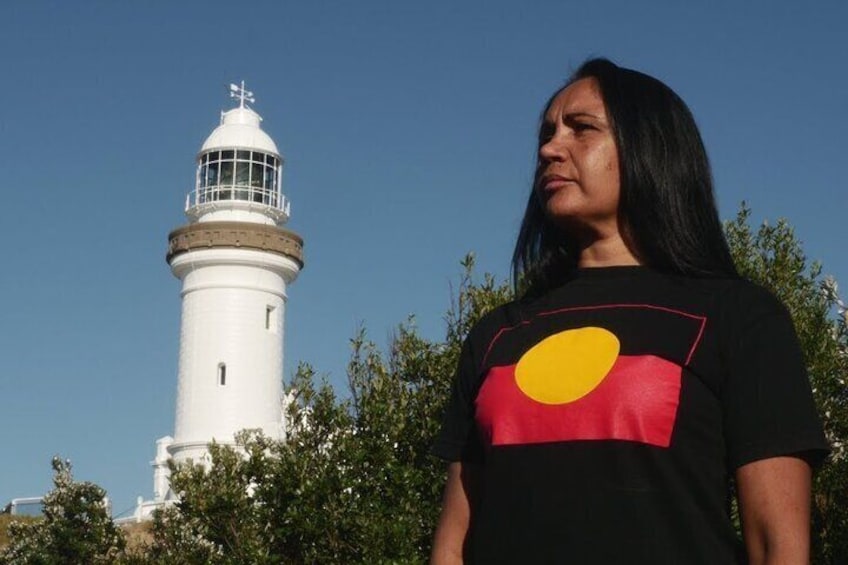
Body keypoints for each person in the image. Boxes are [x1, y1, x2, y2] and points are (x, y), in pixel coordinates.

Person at [430, 58, 829, 564]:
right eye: (547, 134)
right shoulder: (498, 334)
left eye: (582, 130)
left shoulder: (737, 317)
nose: (551, 148)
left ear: (649, 148)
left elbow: (779, 546)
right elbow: (452, 546)